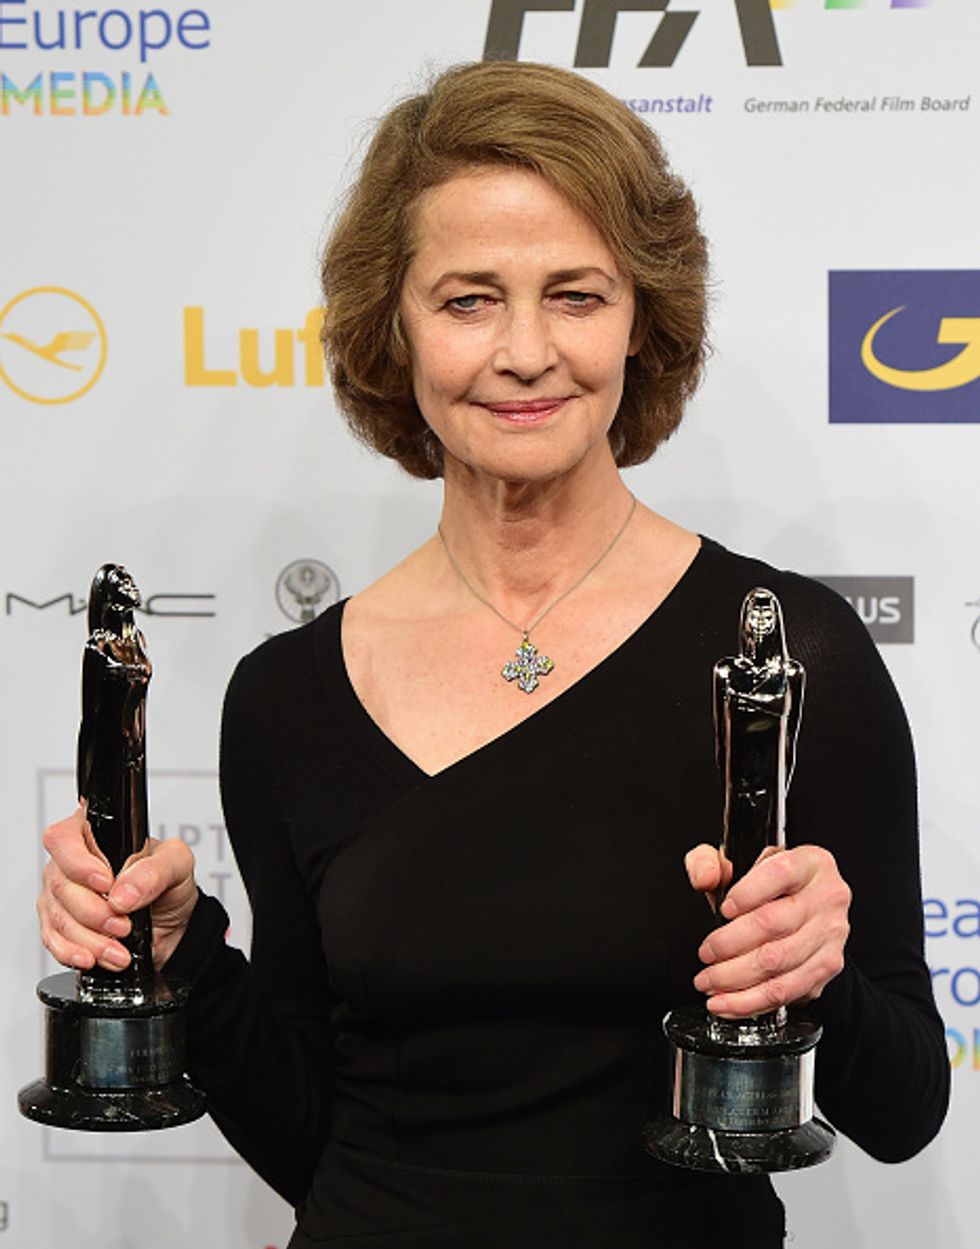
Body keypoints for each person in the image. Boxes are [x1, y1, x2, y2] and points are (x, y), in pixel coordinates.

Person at [37, 61, 948, 1248]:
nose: (524, 352)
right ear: (394, 326)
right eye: (468, 300)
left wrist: (812, 970)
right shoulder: (286, 695)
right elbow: (311, 1138)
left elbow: (904, 1111)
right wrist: (181, 957)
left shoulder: (786, 653)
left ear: (640, 316)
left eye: (574, 295)